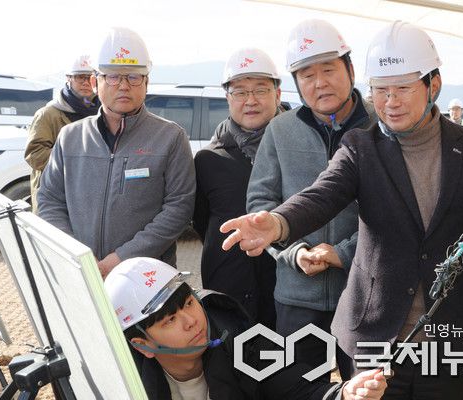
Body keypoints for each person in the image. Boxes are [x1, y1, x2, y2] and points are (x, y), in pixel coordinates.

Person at [221, 21, 463, 400]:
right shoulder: (361, 146)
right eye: (380, 90)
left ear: (433, 85)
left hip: (451, 332)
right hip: (377, 334)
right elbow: (322, 195)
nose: (390, 101)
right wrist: (278, 223)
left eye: (403, 88)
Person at [246, 18, 376, 382]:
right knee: (297, 388)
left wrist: (343, 253)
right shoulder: (280, 129)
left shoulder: (380, 126)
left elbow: (396, 210)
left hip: (365, 295)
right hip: (296, 295)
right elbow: (260, 203)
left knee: (367, 388)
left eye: (329, 69)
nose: (319, 82)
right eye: (307, 74)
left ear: (350, 70)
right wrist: (295, 253)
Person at [104, 256, 387, 400]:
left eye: (189, 303)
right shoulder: (119, 382)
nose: (191, 320)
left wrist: (344, 394)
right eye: (169, 320)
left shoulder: (243, 339)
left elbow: (300, 391)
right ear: (142, 345)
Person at [38, 27, 195, 278]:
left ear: (146, 83)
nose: (123, 86)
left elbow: (179, 208)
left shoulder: (171, 137)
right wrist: (78, 256)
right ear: (94, 82)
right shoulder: (70, 137)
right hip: (80, 273)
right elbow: (49, 200)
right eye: (112, 76)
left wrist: (121, 259)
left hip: (146, 277)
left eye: (134, 77)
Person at [193, 47, 280, 328]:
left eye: (261, 90)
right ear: (228, 98)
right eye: (240, 92)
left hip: (287, 289)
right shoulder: (208, 159)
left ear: (278, 94)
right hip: (229, 290)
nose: (250, 100)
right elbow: (202, 222)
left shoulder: (297, 149)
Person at [25, 55, 100, 212]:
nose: (86, 82)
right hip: (54, 197)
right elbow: (35, 155)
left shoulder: (103, 113)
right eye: (80, 77)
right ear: (69, 78)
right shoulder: (48, 114)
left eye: (90, 77)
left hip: (88, 197)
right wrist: (77, 160)